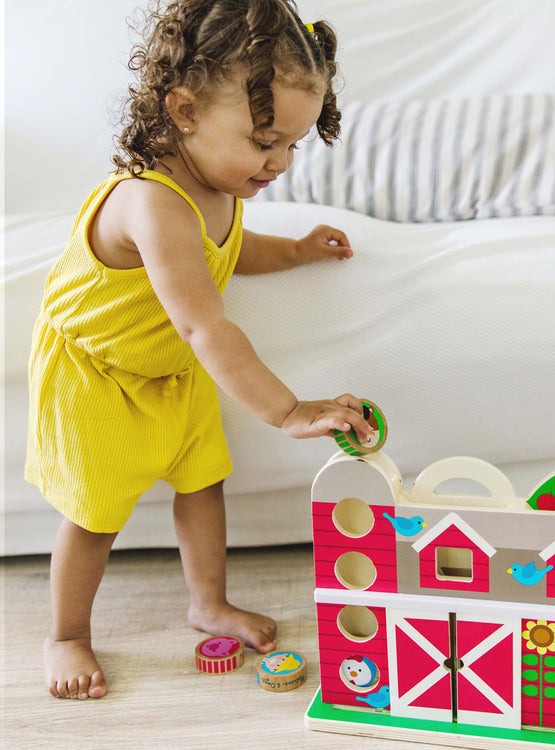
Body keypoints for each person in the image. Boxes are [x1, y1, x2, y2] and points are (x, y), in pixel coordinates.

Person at [25, 0, 372, 701]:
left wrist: (297, 250)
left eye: (292, 146)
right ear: (183, 109)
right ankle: (66, 633)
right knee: (95, 516)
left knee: (201, 482)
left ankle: (207, 602)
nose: (278, 162)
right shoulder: (149, 203)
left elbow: (230, 251)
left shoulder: (219, 186)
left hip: (169, 377)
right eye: (264, 140)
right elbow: (203, 324)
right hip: (100, 376)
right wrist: (287, 410)